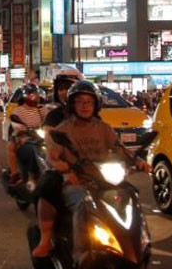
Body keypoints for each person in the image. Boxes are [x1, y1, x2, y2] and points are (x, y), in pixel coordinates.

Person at [31, 81, 149, 258]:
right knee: (84, 203)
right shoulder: (63, 130)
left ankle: (139, 245)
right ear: (72, 105)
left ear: (96, 104)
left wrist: (138, 160)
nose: (85, 105)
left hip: (104, 180)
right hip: (77, 181)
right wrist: (61, 167)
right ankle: (79, 252)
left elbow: (119, 148)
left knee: (131, 196)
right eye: (80, 101)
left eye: (89, 101)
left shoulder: (104, 128)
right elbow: (52, 155)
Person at [6, 84, 46, 185]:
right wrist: (23, 129)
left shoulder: (42, 109)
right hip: (25, 138)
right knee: (16, 147)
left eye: (35, 94)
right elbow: (15, 124)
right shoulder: (18, 111)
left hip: (41, 138)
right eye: (30, 94)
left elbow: (49, 121)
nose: (33, 97)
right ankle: (16, 174)